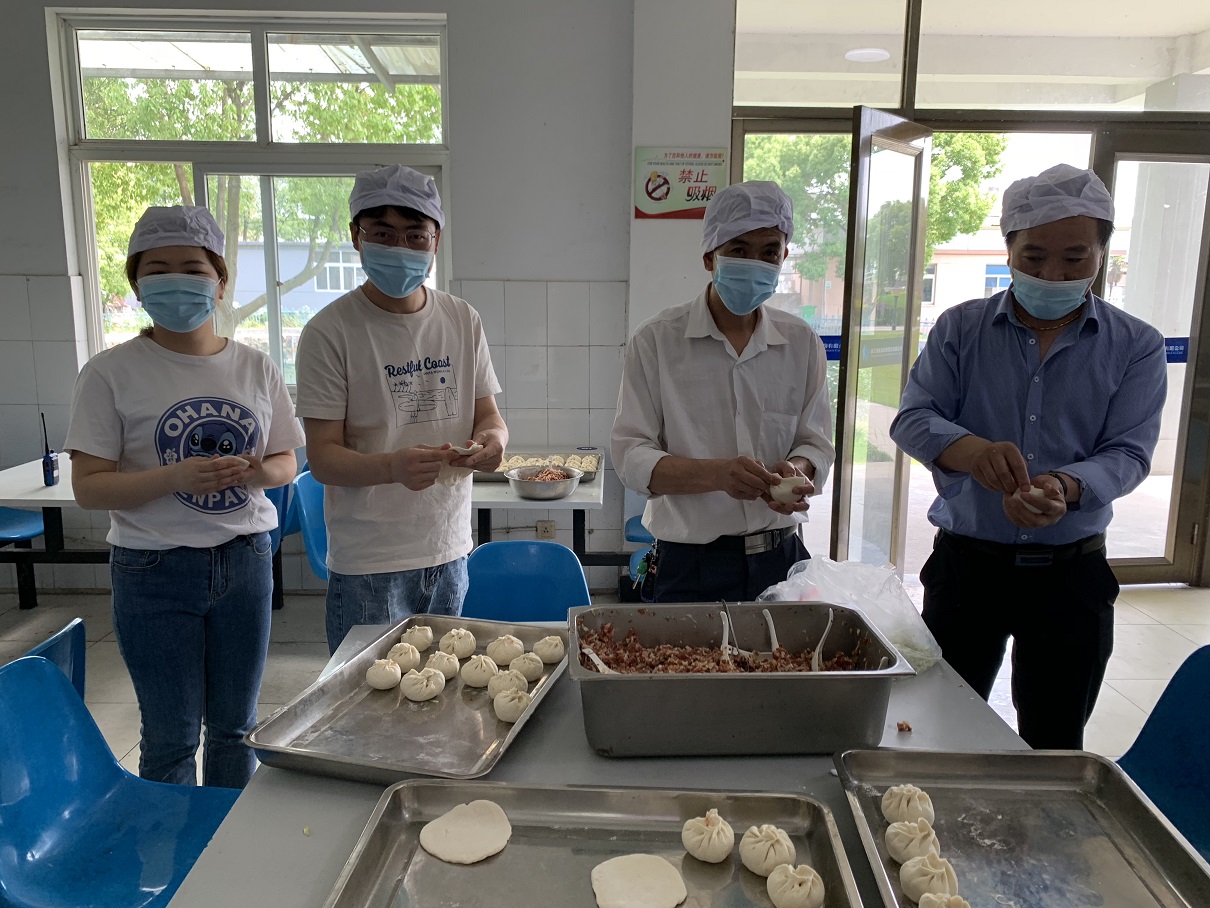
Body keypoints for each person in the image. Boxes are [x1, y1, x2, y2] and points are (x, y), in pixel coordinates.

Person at [890, 164, 1167, 749]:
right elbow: (913, 417)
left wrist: (1065, 486)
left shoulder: (1135, 345)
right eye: (1034, 257)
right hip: (968, 570)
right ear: (1009, 250)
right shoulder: (960, 329)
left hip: (1071, 576)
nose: (1052, 275)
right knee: (940, 731)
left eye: (1075, 258)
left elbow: (1129, 451)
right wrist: (973, 453)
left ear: (1102, 255)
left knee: (1054, 741)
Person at [65, 205, 304, 788]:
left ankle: (226, 834)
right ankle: (174, 842)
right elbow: (89, 487)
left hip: (245, 562)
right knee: (171, 735)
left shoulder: (255, 367)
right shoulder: (110, 372)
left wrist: (255, 470)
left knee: (235, 728)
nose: (177, 281)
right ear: (137, 285)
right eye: (158, 269)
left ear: (220, 282)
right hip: (153, 568)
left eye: (193, 269)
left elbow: (287, 462)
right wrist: (175, 477)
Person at [295, 164, 507, 653]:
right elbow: (323, 458)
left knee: (445, 685)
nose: (400, 248)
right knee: (371, 694)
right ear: (356, 237)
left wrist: (495, 440)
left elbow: (488, 414)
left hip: (448, 548)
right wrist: (392, 467)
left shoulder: (461, 319)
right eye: (383, 234)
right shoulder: (330, 332)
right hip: (369, 562)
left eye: (415, 235)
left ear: (436, 241)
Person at [611, 181, 835, 602]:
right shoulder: (657, 342)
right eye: (738, 249)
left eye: (769, 252)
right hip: (689, 565)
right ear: (709, 257)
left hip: (781, 560)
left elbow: (816, 442)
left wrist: (797, 468)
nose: (755, 263)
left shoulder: (801, 344)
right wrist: (717, 475)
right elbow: (631, 456)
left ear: (784, 256)